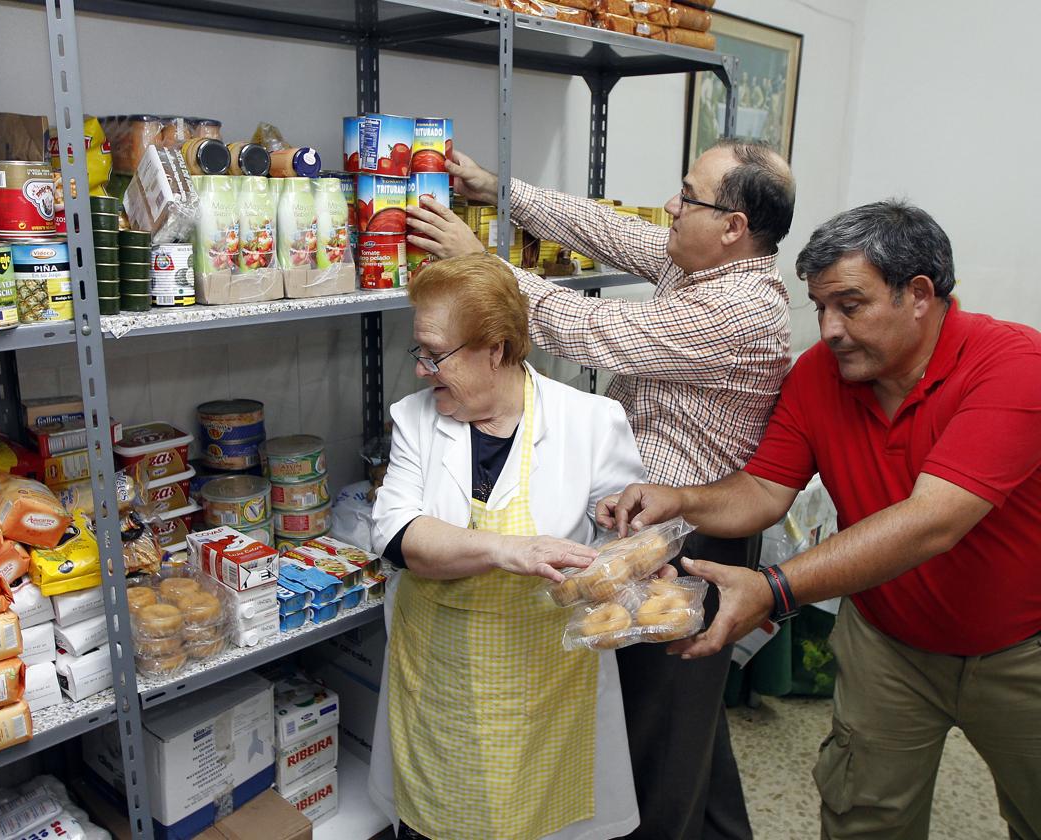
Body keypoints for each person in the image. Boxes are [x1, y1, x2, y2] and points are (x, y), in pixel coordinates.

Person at [601, 201, 1041, 840]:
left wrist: (773, 590)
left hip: (1022, 650)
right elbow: (763, 488)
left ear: (919, 294)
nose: (829, 328)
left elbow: (932, 521)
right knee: (865, 817)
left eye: (850, 305)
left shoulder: (1014, 365)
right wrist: (682, 499)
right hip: (889, 645)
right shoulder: (819, 375)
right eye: (819, 307)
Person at [405, 139, 796, 840]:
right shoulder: (699, 264)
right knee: (688, 719)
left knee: (660, 725)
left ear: (733, 226)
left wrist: (481, 269)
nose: (672, 207)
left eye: (688, 196)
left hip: (692, 531)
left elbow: (595, 330)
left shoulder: (741, 308)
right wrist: (500, 190)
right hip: (650, 517)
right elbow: (610, 228)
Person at [367, 253, 648, 840]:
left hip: (547, 694)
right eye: (418, 352)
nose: (421, 370)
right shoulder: (417, 421)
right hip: (439, 688)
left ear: (495, 348)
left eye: (435, 354)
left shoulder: (590, 422)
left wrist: (622, 542)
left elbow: (626, 545)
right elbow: (397, 535)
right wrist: (506, 550)